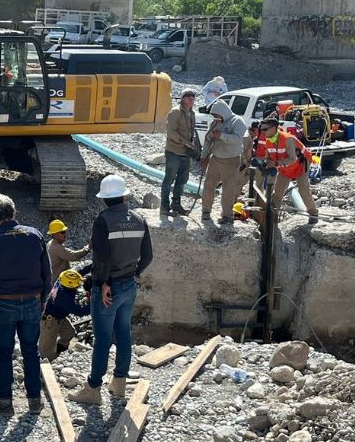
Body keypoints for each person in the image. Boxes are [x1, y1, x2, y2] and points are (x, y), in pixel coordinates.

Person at [69, 175, 152, 404]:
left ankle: (93, 388)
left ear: (105, 199)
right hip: (128, 285)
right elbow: (148, 256)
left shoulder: (103, 221)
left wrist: (104, 283)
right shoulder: (139, 219)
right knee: (123, 333)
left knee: (103, 338)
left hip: (108, 287)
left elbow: (101, 257)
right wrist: (133, 274)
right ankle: (119, 384)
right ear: (124, 196)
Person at [0, 194, 50, 416]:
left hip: (4, 303)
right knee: (30, 351)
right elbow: (47, 271)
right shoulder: (34, 235)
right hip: (32, 302)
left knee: (4, 353)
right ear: (13, 212)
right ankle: (35, 401)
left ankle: (5, 403)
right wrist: (44, 299)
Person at [254, 116, 320, 224]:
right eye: (262, 129)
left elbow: (293, 159)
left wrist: (275, 163)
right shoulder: (268, 141)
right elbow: (268, 157)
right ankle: (273, 218)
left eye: (265, 129)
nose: (263, 132)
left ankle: (313, 213)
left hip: (300, 166)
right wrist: (266, 163)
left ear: (274, 128)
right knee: (278, 193)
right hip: (285, 169)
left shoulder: (287, 139)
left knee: (303, 191)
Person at [201, 99, 247, 224]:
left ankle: (227, 215)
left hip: (231, 160)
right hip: (215, 158)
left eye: (217, 115)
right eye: (214, 116)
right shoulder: (215, 123)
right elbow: (208, 139)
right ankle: (206, 211)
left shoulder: (237, 121)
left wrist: (221, 136)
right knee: (209, 184)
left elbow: (237, 139)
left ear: (223, 112)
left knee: (228, 188)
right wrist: (204, 156)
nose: (215, 118)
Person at [161, 88, 198, 216]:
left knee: (182, 180)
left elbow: (191, 132)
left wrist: (192, 146)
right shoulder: (175, 112)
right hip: (174, 152)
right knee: (169, 180)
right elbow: (171, 133)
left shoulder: (192, 113)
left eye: (193, 96)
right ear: (182, 98)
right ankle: (164, 207)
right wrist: (186, 142)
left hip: (185, 153)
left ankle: (176, 204)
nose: (191, 99)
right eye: (188, 96)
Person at [40, 269, 89, 362]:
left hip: (59, 316)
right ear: (71, 286)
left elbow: (78, 272)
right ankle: (44, 364)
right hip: (50, 321)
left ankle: (59, 350)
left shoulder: (62, 279)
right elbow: (80, 311)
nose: (78, 286)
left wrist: (92, 266)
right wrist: (93, 304)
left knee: (69, 332)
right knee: (45, 351)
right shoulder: (63, 297)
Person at [46, 219, 90, 283]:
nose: (65, 234)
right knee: (88, 265)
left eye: (65, 231)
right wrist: (88, 247)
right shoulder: (57, 247)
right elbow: (74, 256)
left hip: (55, 279)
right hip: (59, 282)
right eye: (62, 232)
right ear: (55, 234)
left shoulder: (51, 243)